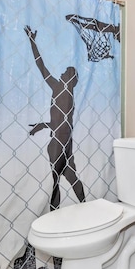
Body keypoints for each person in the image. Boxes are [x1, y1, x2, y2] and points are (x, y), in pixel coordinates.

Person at [24, 25, 85, 210]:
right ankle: (84, 206)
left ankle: (54, 214)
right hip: (64, 141)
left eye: (66, 72)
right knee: (68, 177)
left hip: (59, 142)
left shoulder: (61, 90)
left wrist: (32, 42)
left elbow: (42, 67)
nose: (62, 73)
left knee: (57, 180)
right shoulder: (65, 92)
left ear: (70, 79)